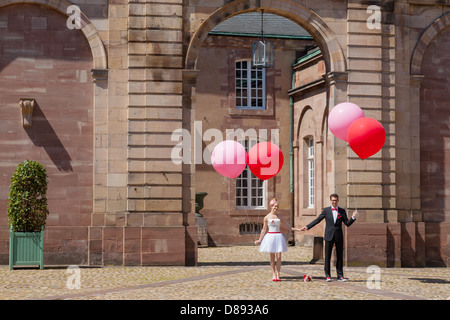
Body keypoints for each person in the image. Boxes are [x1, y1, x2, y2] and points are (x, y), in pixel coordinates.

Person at [300, 193, 358, 282]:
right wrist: (307, 227)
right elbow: (318, 220)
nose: (334, 202)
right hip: (329, 235)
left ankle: (340, 275)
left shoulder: (342, 211)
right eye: (333, 200)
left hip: (338, 236)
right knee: (327, 256)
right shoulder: (326, 210)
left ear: (338, 200)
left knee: (339, 256)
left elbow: (347, 223)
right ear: (330, 201)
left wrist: (353, 218)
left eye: (336, 200)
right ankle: (328, 275)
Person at [255, 198, 302, 282]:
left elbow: (287, 227)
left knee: (279, 256)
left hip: (278, 236)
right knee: (272, 256)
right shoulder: (267, 217)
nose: (276, 208)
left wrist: (298, 230)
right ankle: (273, 273)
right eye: (274, 206)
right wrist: (259, 240)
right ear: (271, 206)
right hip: (270, 236)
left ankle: (278, 273)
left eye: (277, 206)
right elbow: (264, 229)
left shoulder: (280, 217)